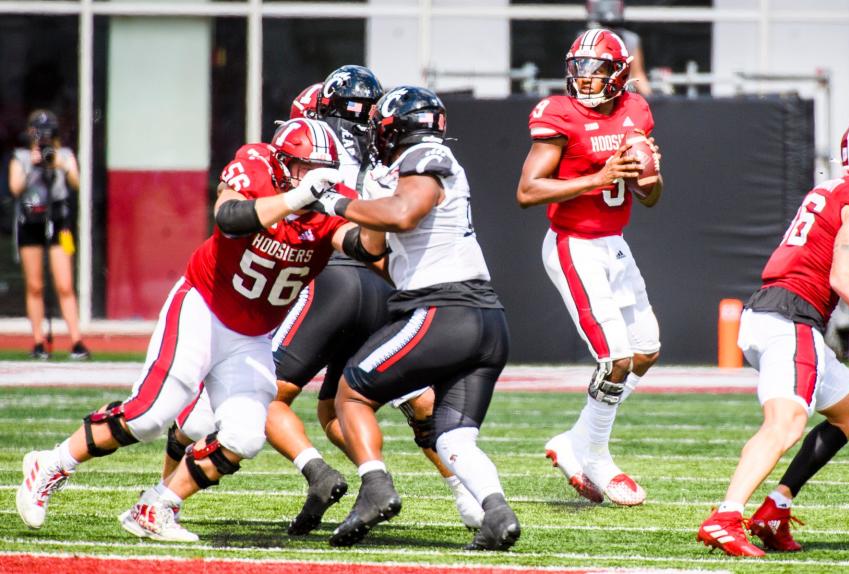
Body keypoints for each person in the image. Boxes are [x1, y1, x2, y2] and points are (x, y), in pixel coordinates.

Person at [15, 118, 387, 542]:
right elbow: (229, 217)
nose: (316, 178)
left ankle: (156, 507)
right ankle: (52, 464)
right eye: (306, 168)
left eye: (323, 169)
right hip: (204, 307)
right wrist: (297, 197)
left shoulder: (330, 205)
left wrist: (375, 211)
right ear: (284, 165)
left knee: (245, 435)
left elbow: (363, 247)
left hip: (253, 334)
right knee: (151, 416)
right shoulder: (257, 165)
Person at [163, 68, 484, 534]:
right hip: (383, 281)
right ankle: (467, 494)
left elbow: (280, 204)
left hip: (328, 275)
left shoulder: (312, 147)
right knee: (354, 405)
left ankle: (315, 472)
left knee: (265, 392)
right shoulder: (395, 159)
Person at [696, 114, 849, 557]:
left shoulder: (831, 188)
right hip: (792, 317)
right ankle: (726, 516)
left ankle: (776, 507)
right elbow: (844, 277)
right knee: (785, 422)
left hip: (774, 311)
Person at [311, 86, 520, 551]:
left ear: (394, 129)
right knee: (453, 437)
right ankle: (497, 514)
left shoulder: (426, 155)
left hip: (447, 309)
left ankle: (375, 487)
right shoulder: (403, 172)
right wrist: (318, 223)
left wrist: (333, 203)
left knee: (352, 392)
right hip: (485, 317)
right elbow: (370, 246)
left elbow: (404, 215)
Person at [515, 28, 662, 507]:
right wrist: (595, 178)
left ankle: (572, 442)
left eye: (597, 69)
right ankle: (596, 458)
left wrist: (648, 174)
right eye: (580, 68)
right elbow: (527, 192)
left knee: (645, 350)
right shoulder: (560, 115)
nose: (587, 78)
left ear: (619, 74)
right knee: (615, 358)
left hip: (613, 243)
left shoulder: (636, 110)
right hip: (573, 244)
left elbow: (651, 197)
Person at [8, 110, 89, 360]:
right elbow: (15, 188)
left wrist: (59, 164)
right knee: (35, 285)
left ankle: (76, 340)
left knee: (65, 283)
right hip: (30, 222)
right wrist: (32, 165)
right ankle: (38, 340)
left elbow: (77, 182)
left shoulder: (64, 155)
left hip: (59, 223)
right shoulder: (21, 157)